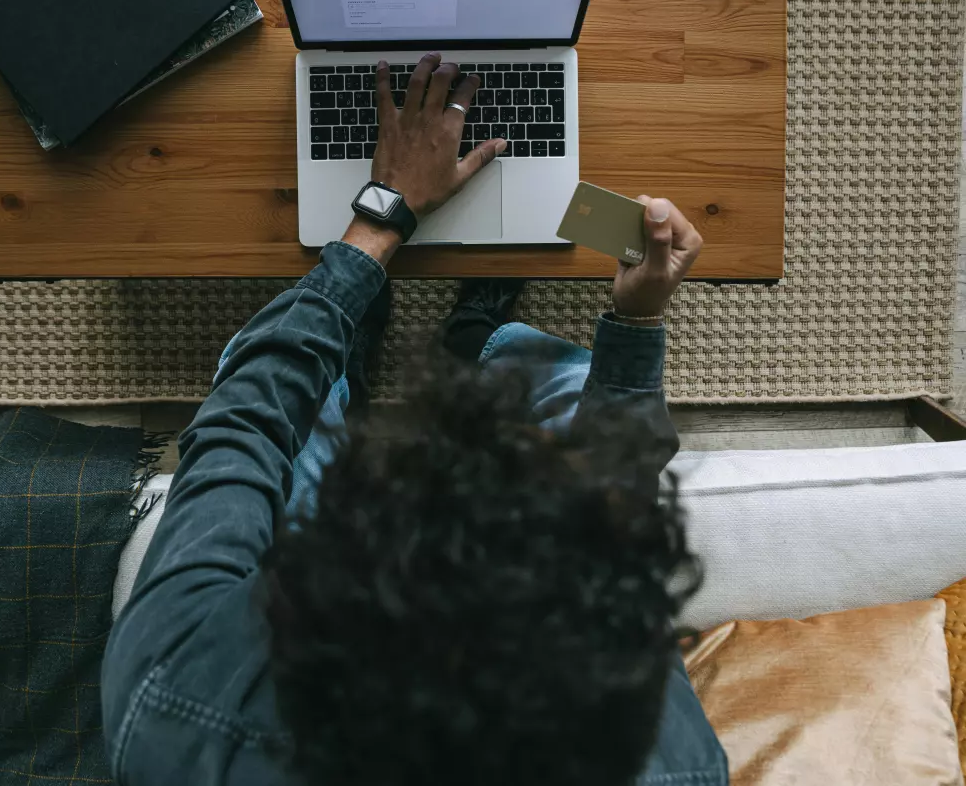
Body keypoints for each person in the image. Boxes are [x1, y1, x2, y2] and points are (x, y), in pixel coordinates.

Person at [102, 52, 728, 786]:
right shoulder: (664, 759)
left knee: (273, 366)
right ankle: (474, 341)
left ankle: (351, 359)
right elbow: (613, 511)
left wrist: (378, 220)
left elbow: (242, 424)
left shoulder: (175, 702)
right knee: (570, 380)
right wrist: (637, 321)